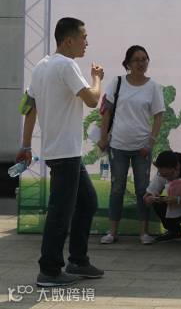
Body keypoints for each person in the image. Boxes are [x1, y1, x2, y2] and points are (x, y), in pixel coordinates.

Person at [16, 17, 105, 287]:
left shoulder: (41, 66)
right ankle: (50, 270)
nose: (86, 42)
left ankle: (78, 260)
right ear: (68, 41)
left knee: (87, 202)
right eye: (83, 37)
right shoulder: (67, 65)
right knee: (60, 213)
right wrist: (97, 78)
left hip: (62, 152)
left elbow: (29, 107)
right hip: (65, 152)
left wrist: (26, 145)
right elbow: (92, 100)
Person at [97, 45, 165, 246]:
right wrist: (103, 138)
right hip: (118, 145)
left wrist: (150, 142)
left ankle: (144, 233)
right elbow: (106, 112)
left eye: (144, 59)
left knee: (143, 189)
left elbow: (158, 116)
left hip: (142, 148)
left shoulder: (153, 87)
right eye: (136, 60)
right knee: (117, 189)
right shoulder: (117, 82)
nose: (141, 63)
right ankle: (112, 232)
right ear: (128, 63)